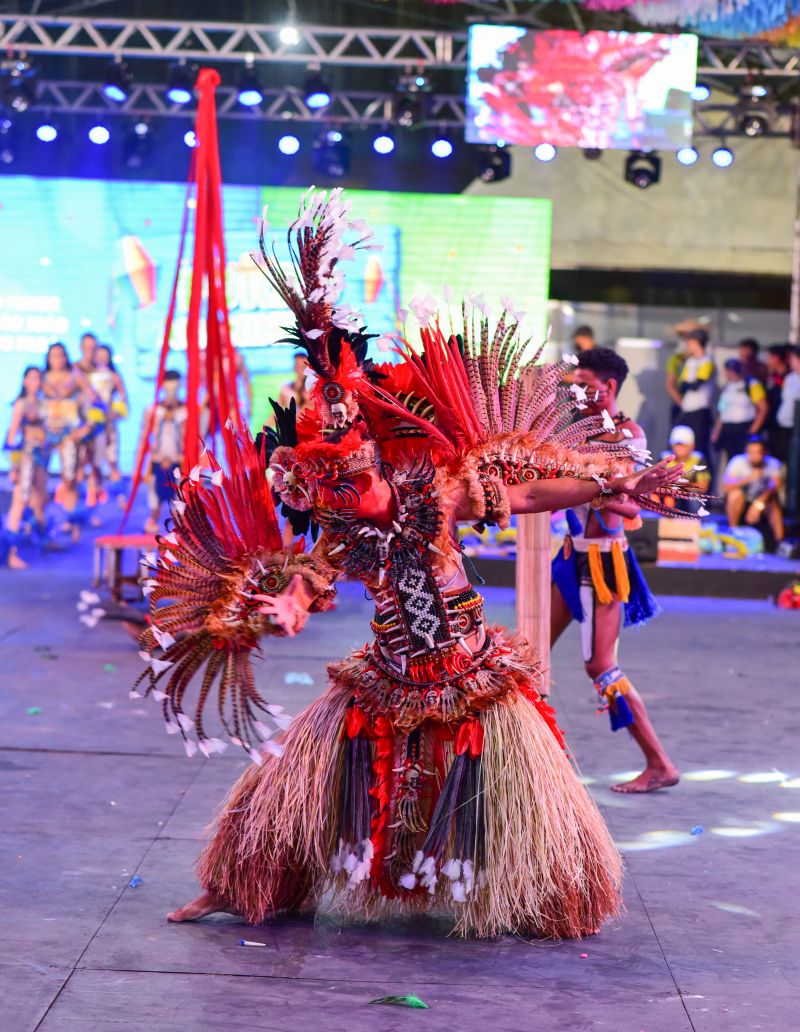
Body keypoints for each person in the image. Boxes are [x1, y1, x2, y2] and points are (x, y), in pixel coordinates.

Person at [132, 192, 688, 939]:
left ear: (376, 461)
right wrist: (291, 606)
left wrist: (606, 479)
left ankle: (554, 894)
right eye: (332, 481)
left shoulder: (442, 488)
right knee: (285, 783)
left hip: (466, 669)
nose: (345, 492)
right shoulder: (340, 518)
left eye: (353, 476)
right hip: (387, 669)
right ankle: (241, 882)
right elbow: (315, 574)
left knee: (526, 791)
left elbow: (526, 492)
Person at [551, 348, 682, 794]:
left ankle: (659, 763)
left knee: (600, 666)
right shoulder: (577, 430)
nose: (576, 391)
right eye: (574, 382)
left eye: (585, 383)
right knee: (529, 652)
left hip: (603, 563)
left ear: (608, 387)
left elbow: (635, 504)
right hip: (570, 556)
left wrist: (595, 493)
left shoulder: (630, 435)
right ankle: (533, 761)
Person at [3, 367, 50, 569]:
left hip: (42, 458)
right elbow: (11, 437)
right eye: (32, 378)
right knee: (20, 502)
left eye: (39, 378)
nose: (36, 382)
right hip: (26, 458)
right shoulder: (21, 404)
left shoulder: (43, 403)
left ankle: (40, 538)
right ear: (24, 381)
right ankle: (11, 553)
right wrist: (14, 467)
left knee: (39, 501)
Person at [42, 342, 90, 539]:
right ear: (48, 358)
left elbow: (94, 401)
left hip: (69, 432)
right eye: (54, 355)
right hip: (45, 432)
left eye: (61, 355)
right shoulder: (42, 378)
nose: (58, 359)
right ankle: (41, 523)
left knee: (69, 478)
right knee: (39, 478)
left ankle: (71, 521)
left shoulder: (75, 376)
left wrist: (86, 426)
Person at [141, 370, 187, 534]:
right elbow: (145, 438)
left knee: (179, 504)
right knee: (154, 501)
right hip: (158, 461)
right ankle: (151, 533)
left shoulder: (187, 411)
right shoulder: (152, 411)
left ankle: (179, 536)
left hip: (178, 461)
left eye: (175, 382)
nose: (171, 386)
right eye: (168, 382)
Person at [723, 436, 784, 547]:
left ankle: (780, 543)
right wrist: (749, 478)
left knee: (773, 504)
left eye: (757, 452)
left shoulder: (773, 464)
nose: (754, 456)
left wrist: (758, 503)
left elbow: (775, 487)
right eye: (750, 452)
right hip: (742, 502)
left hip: (761, 502)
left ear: (765, 453)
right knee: (734, 494)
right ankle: (733, 535)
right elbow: (726, 487)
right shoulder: (738, 462)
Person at [711, 358, 768, 470]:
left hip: (744, 427)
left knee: (746, 459)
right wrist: (716, 432)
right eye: (728, 370)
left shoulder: (751, 384)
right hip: (728, 429)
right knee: (730, 459)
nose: (730, 373)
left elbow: (763, 408)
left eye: (733, 370)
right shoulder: (727, 387)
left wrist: (753, 429)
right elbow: (722, 412)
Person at [86, 344, 128, 486]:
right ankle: (93, 493)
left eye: (105, 355)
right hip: (91, 422)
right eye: (99, 355)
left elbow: (123, 398)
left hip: (108, 422)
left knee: (111, 457)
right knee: (92, 460)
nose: (102, 358)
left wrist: (115, 412)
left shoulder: (114, 376)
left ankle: (119, 495)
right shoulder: (87, 375)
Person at [676, 327, 716, 474]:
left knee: (700, 447)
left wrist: (689, 384)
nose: (688, 346)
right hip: (687, 410)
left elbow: (696, 384)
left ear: (697, 342)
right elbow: (682, 385)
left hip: (700, 411)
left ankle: (704, 484)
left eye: (690, 342)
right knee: (683, 446)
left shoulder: (707, 361)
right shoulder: (690, 361)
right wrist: (689, 384)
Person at [662, 425, 711, 504]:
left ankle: (692, 516)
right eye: (677, 444)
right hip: (668, 498)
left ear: (692, 446)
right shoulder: (665, 458)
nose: (679, 448)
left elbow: (703, 487)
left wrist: (680, 487)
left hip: (689, 499)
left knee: (694, 496)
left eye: (683, 445)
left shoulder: (698, 460)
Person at [775, 345, 800, 462]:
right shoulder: (789, 378)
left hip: (796, 429)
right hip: (783, 426)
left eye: (793, 358)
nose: (790, 361)